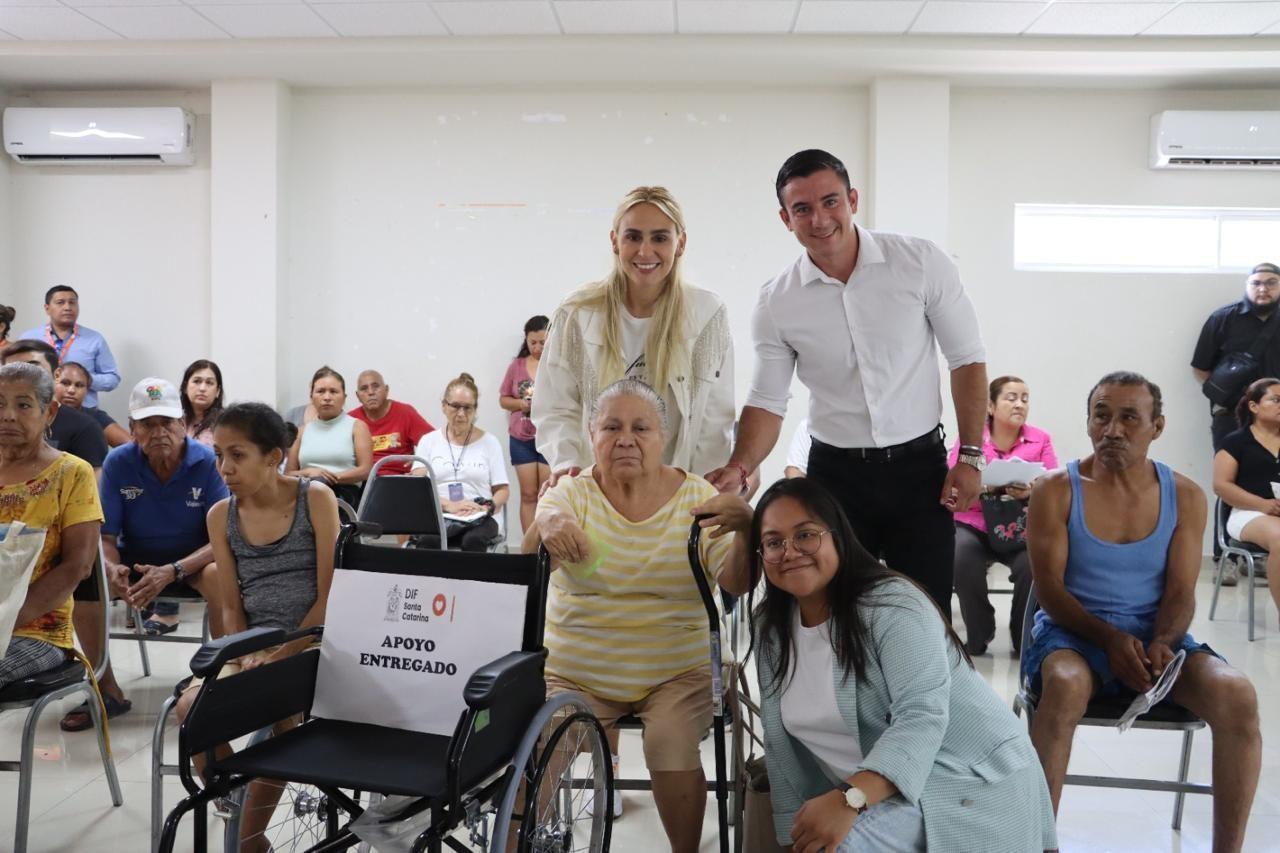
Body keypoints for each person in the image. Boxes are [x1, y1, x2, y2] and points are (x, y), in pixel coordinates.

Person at [707, 149, 987, 619]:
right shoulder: (778, 301)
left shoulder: (919, 263)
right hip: (836, 476)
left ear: (853, 199)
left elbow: (966, 360)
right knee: (830, 615)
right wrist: (739, 467)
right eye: (802, 209)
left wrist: (973, 456)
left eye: (830, 201)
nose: (819, 219)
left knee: (926, 614)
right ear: (785, 218)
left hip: (920, 470)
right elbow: (768, 400)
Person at [727, 476, 1055, 853]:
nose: (790, 551)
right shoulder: (771, 628)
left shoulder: (893, 607)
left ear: (838, 536)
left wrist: (848, 799)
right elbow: (780, 746)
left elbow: (921, 718)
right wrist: (790, 838)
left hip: (967, 781)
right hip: (878, 790)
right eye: (773, 542)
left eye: (805, 535)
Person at [1025, 371, 1261, 850]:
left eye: (1130, 418)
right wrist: (1109, 640)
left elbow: (1180, 592)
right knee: (1066, 684)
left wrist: (1162, 642)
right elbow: (1050, 592)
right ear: (1089, 422)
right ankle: (1038, 843)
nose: (1113, 430)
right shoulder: (1056, 489)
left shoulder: (1186, 495)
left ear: (1158, 426)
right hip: (1071, 635)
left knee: (1237, 694)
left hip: (1157, 637)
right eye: (1102, 415)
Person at [526, 379, 751, 853]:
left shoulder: (697, 499)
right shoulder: (570, 496)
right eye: (611, 426)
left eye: (640, 427)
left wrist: (749, 528)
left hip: (676, 671)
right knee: (543, 747)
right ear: (592, 436)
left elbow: (735, 583)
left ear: (663, 439)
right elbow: (527, 571)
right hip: (577, 672)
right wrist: (545, 524)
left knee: (668, 743)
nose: (625, 438)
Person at [174, 401, 339, 853]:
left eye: (238, 455)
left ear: (273, 456)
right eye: (219, 456)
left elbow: (330, 596)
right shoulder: (220, 516)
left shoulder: (314, 499)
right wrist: (239, 649)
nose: (225, 467)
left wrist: (282, 653)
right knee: (190, 708)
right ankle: (240, 803)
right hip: (254, 644)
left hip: (313, 639)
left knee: (285, 723)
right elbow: (230, 604)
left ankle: (249, 836)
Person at [532, 186, 735, 484]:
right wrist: (569, 467)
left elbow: (715, 421)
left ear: (681, 243)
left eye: (660, 238)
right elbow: (556, 407)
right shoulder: (576, 313)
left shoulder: (707, 314)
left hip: (677, 493)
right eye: (633, 237)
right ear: (615, 241)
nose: (645, 251)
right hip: (597, 490)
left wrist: (696, 492)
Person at [60, 378, 230, 731]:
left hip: (193, 562)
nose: (159, 432)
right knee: (87, 572)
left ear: (182, 424)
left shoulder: (208, 462)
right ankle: (106, 689)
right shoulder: (119, 462)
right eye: (148, 424)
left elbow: (223, 538)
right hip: (135, 561)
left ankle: (214, 681)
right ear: (132, 428)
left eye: (167, 422)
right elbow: (105, 535)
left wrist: (174, 570)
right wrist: (111, 567)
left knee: (218, 573)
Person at [0, 362, 103, 690]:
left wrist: (5, 620)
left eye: (24, 404)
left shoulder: (72, 473)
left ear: (50, 412)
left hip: (37, 629)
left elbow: (78, 566)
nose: (8, 416)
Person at [950, 375, 1058, 656]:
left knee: (1032, 565)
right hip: (975, 523)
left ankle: (1021, 637)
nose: (1019, 404)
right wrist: (988, 486)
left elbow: (1055, 484)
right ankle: (979, 632)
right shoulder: (970, 439)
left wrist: (1031, 491)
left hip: (1021, 525)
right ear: (990, 406)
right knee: (961, 555)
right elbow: (954, 485)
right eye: (1011, 398)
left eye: (1024, 398)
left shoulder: (1040, 439)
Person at [1193, 262, 1280, 582]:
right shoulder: (1223, 319)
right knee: (1230, 481)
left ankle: (1260, 552)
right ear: (1248, 285)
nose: (1263, 289)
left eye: (1271, 283)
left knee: (1270, 477)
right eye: (1257, 282)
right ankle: (1226, 556)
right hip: (1231, 417)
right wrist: (1235, 401)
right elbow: (1202, 369)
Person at [411, 373, 509, 551]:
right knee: (429, 540)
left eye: (468, 408)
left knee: (473, 541)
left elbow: (502, 490)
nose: (461, 414)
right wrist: (449, 505)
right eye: (455, 406)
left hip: (480, 516)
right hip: (440, 513)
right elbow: (417, 488)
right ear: (444, 406)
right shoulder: (428, 441)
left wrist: (486, 507)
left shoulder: (490, 442)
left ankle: (468, 580)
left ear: (475, 410)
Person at [1213, 376, 1280, 617]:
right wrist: (1263, 504)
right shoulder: (1235, 442)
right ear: (1254, 406)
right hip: (1248, 514)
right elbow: (1221, 486)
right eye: (1276, 400)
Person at [1, 340, 109, 473]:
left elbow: (94, 486)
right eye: (11, 372)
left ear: (56, 374)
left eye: (33, 369)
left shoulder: (85, 427)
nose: (21, 379)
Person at [19, 285, 120, 409]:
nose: (67, 307)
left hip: (83, 412)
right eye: (60, 302)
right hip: (40, 411)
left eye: (72, 303)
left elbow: (112, 379)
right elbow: (16, 376)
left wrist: (84, 379)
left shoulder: (94, 339)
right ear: (47, 308)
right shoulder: (28, 339)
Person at [286, 366, 372, 508]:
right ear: (311, 397)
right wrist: (308, 473)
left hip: (344, 497)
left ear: (344, 398)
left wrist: (327, 478)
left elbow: (365, 470)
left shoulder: (357, 427)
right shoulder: (301, 431)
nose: (327, 397)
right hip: (304, 494)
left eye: (333, 392)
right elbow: (288, 474)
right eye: (320, 391)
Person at [499, 315, 551, 532]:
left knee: (547, 495)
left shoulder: (557, 365)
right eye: (533, 342)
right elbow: (503, 399)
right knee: (529, 494)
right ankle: (529, 549)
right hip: (521, 438)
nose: (537, 347)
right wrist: (521, 403)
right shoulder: (517, 366)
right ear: (526, 341)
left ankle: (548, 547)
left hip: (549, 437)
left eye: (542, 342)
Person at [349, 368, 434, 477]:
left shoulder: (405, 413)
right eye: (364, 388)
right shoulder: (351, 420)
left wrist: (418, 461)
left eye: (376, 386)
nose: (370, 392)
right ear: (358, 396)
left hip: (401, 479)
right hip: (365, 482)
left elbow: (435, 444)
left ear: (386, 390)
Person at [55, 361, 130, 447]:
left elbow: (132, 447)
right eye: (65, 383)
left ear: (87, 390)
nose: (71, 390)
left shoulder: (96, 417)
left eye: (79, 385)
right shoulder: (41, 416)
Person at [181, 359, 225, 447]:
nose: (202, 388)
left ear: (218, 391)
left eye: (209, 383)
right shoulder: (177, 422)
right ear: (185, 387)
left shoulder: (225, 423)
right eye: (197, 381)